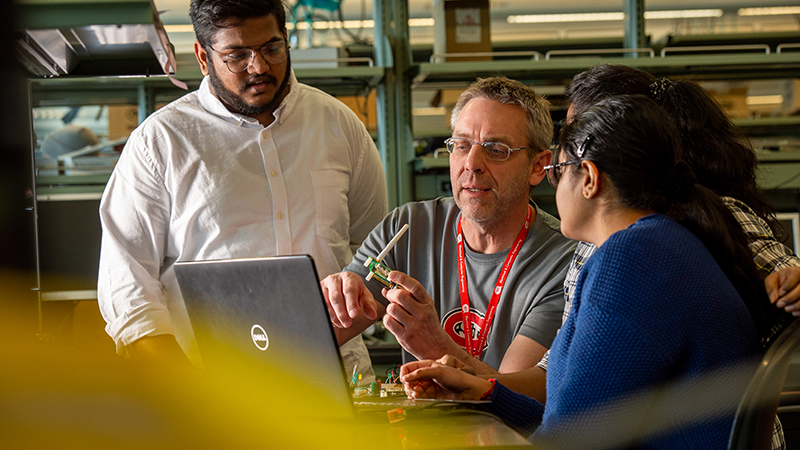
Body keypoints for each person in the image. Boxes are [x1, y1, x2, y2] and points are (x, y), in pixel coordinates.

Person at [400, 95, 765, 449]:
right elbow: (571, 418)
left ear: (589, 179)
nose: (553, 186)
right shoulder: (654, 244)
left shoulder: (631, 259)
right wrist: (482, 393)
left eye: (558, 172)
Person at [97, 0, 388, 380]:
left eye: (271, 48)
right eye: (237, 55)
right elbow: (128, 287)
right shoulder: (161, 143)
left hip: (338, 381)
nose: (259, 67)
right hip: (216, 394)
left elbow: (376, 256)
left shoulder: (338, 125)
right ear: (203, 57)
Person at [321, 77, 576, 376]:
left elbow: (518, 399)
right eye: (461, 145)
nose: (471, 163)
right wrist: (333, 302)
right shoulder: (407, 229)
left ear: (537, 166)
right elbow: (318, 338)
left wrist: (435, 346)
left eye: (495, 150)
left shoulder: (563, 263)